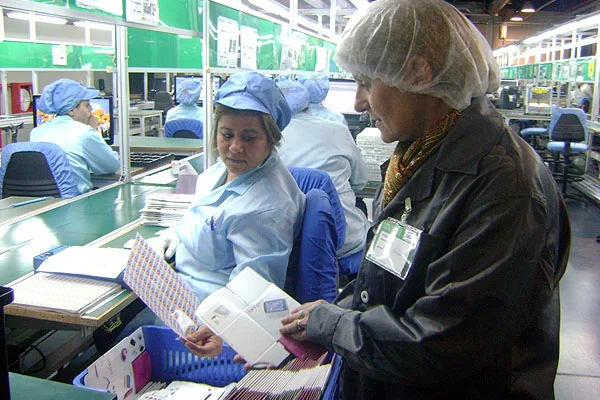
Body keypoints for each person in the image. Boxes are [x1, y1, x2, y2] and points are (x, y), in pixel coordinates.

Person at [185, 1, 571, 399]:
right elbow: (387, 281)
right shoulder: (421, 155)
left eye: (366, 82)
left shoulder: (504, 187)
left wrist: (333, 327)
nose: (357, 102)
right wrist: (307, 328)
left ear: (419, 73)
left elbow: (439, 343)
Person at [146, 71, 305, 302]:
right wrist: (170, 236)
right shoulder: (227, 169)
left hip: (204, 313)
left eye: (249, 138)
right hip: (177, 284)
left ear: (271, 139)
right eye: (227, 135)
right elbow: (201, 213)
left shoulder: (265, 211)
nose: (235, 147)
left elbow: (250, 298)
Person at [276, 78, 369, 273]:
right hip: (345, 246)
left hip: (292, 249)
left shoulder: (267, 141)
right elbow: (361, 182)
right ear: (307, 104)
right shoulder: (338, 129)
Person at [29, 78, 119, 195]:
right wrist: (94, 130)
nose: (91, 110)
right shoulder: (84, 132)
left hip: (43, 204)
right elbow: (110, 166)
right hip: (76, 203)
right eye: (87, 105)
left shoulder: (36, 132)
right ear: (71, 109)